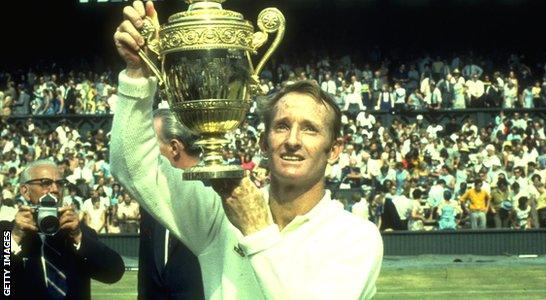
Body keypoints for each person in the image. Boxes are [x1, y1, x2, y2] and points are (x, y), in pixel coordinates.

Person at [112, 2, 383, 298]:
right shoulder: (221, 216)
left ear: (334, 150)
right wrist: (138, 73)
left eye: (310, 129)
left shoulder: (356, 237)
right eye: (281, 126)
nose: (293, 139)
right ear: (264, 143)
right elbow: (133, 167)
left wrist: (257, 231)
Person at [1, 160, 124, 299]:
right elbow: (5, 284)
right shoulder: (7, 232)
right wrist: (14, 238)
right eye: (45, 183)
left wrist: (78, 237)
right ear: (25, 191)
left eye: (59, 184)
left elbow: (114, 273)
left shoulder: (78, 231)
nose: (54, 189)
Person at [138, 108, 205, 300]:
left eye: (150, 144)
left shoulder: (217, 193)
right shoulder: (151, 196)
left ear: (174, 147)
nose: (144, 153)